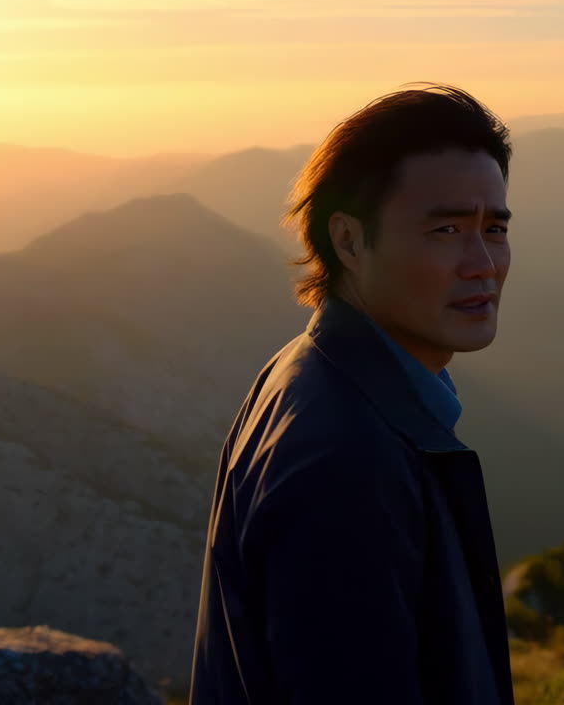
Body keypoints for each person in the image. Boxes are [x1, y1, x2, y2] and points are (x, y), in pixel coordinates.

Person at [188, 83, 515, 705]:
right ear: (349, 242)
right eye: (446, 229)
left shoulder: (308, 375)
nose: (483, 263)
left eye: (493, 229)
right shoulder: (346, 459)